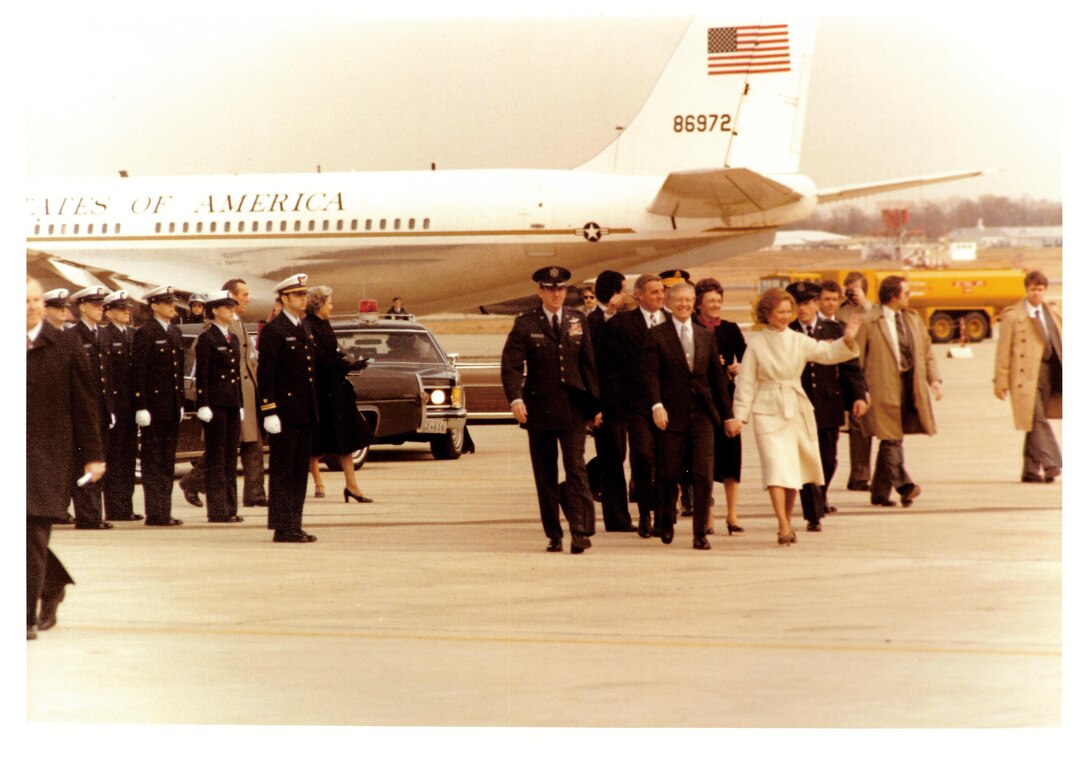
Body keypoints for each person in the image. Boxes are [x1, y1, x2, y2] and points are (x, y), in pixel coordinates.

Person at [726, 287, 861, 545]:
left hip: (795, 407)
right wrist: (739, 417)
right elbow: (746, 383)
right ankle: (783, 524)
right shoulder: (756, 344)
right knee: (776, 467)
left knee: (792, 473)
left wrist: (848, 339)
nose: (786, 316)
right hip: (768, 410)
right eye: (781, 312)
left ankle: (786, 520)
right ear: (767, 313)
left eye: (789, 311)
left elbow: (827, 353)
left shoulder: (798, 340)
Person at [501, 266, 600, 554]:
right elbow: (511, 365)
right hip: (540, 409)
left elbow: (588, 365)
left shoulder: (577, 320)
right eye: (550, 289)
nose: (556, 293)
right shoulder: (525, 322)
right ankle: (554, 533)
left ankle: (580, 530)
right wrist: (516, 399)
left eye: (561, 289)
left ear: (566, 291)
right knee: (544, 474)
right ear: (540, 291)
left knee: (576, 469)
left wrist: (595, 406)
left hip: (573, 409)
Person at [27, 276, 106, 639]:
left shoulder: (66, 344)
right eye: (22, 301)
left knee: (29, 533)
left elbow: (85, 405)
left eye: (35, 300)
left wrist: (93, 456)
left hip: (46, 457)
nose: (30, 307)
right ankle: (52, 583)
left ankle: (22, 619)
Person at [645, 282, 732, 550]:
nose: (683, 304)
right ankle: (666, 519)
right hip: (671, 415)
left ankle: (699, 533)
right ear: (669, 303)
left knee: (703, 473)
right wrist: (656, 405)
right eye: (678, 300)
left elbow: (717, 381)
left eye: (688, 300)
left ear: (694, 303)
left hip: (702, 415)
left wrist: (727, 415)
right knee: (669, 472)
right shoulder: (657, 335)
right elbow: (651, 375)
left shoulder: (704, 335)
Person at [853, 275, 942, 508]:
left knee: (893, 437)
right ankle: (905, 486)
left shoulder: (912, 319)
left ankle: (880, 494)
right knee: (891, 437)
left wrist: (935, 380)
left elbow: (927, 351)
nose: (910, 297)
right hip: (881, 388)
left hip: (908, 386)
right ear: (893, 296)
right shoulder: (870, 321)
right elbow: (857, 359)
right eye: (906, 293)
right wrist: (860, 391)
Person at [787, 281, 868, 531]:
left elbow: (850, 367)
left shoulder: (833, 328)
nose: (802, 309)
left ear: (815, 304)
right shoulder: (787, 332)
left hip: (827, 403)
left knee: (828, 459)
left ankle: (820, 495)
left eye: (807, 303)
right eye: (797, 304)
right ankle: (814, 512)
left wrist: (858, 395)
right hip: (798, 405)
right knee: (806, 460)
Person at [605, 273, 668, 538]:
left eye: (662, 292)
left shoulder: (673, 321)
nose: (660, 296)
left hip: (668, 403)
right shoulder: (621, 324)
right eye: (653, 292)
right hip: (637, 405)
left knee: (667, 459)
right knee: (642, 456)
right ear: (639, 294)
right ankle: (645, 512)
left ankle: (664, 515)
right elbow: (610, 367)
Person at [259, 274, 320, 543]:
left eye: (304, 295)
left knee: (298, 471)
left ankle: (295, 523)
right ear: (284, 299)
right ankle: (283, 527)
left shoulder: (304, 326)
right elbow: (267, 374)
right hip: (284, 412)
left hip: (304, 410)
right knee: (284, 471)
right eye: (298, 295)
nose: (303, 299)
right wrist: (269, 410)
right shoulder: (275, 330)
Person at [305, 285, 374, 503]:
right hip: (322, 391)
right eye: (329, 303)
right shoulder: (309, 326)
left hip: (335, 388)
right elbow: (322, 360)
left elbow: (333, 354)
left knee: (348, 436)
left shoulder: (324, 324)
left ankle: (352, 486)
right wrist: (348, 366)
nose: (332, 306)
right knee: (317, 441)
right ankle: (315, 482)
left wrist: (349, 363)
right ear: (319, 305)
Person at [993, 270, 1062, 482]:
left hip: (1048, 372)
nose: (1036, 294)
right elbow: (1003, 351)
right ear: (1027, 290)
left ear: (1045, 290)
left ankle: (1030, 470)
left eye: (1040, 290)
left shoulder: (1052, 312)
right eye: (1033, 289)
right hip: (1024, 377)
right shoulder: (1013, 316)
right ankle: (1052, 462)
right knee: (1037, 418)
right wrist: (1001, 381)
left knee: (1034, 421)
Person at [694, 277, 747, 535]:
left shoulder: (730, 329)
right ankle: (708, 514)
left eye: (719, 300)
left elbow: (748, 360)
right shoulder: (691, 327)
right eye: (710, 300)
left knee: (731, 457)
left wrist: (737, 370)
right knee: (704, 462)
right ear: (699, 303)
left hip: (728, 401)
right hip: (702, 403)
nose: (716, 305)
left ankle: (733, 514)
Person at [585, 269, 636, 532]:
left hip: (621, 404)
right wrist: (594, 407)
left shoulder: (618, 318)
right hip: (604, 405)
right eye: (623, 290)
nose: (626, 295)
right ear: (613, 293)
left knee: (615, 457)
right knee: (613, 461)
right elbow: (594, 357)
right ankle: (617, 519)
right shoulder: (595, 319)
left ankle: (571, 487)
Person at [133, 285, 187, 526]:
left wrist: (181, 402)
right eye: (167, 302)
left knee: (167, 461)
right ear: (154, 305)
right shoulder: (146, 333)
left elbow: (178, 372)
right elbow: (139, 372)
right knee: (153, 461)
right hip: (153, 408)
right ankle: (155, 512)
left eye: (173, 302)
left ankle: (164, 510)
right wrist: (141, 405)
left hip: (171, 407)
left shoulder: (174, 331)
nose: (172, 306)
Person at [65, 286, 114, 530]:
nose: (100, 309)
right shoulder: (73, 336)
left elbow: (108, 376)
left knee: (99, 460)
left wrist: (111, 408)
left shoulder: (103, 335)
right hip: (83, 409)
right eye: (95, 304)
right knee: (84, 460)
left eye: (101, 304)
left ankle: (95, 513)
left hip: (101, 408)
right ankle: (87, 515)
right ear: (82, 306)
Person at [195, 291, 246, 523]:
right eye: (226, 306)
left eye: (232, 306)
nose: (231, 310)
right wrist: (202, 403)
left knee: (230, 456)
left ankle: (231, 508)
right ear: (214, 310)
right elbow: (202, 374)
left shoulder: (232, 338)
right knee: (216, 457)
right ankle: (217, 509)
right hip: (215, 404)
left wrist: (240, 403)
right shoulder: (208, 338)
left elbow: (237, 373)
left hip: (232, 402)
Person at [100, 290, 142, 521]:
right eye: (120, 309)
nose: (126, 312)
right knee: (114, 457)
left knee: (128, 456)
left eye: (127, 308)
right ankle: (115, 507)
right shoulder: (106, 336)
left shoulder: (133, 335)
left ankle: (125, 506)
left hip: (131, 406)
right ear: (109, 312)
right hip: (115, 405)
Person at [837, 271, 874, 492]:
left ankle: (860, 476)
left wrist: (864, 304)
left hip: (862, 373)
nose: (851, 294)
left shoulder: (870, 310)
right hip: (841, 372)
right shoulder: (840, 310)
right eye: (848, 289)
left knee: (860, 427)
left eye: (855, 289)